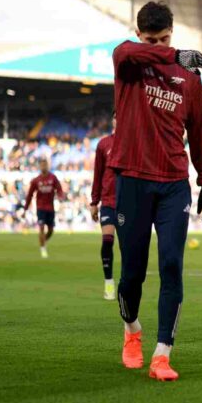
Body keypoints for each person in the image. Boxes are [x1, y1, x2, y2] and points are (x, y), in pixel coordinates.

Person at [109, 1, 202, 382]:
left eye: (165, 39)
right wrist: (171, 53)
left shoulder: (188, 75)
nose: (158, 45)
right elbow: (124, 50)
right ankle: (132, 331)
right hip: (133, 178)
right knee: (132, 273)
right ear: (140, 35)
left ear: (173, 32)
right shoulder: (128, 61)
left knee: (171, 264)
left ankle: (162, 354)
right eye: (151, 40)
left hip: (173, 182)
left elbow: (199, 129)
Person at [89, 112, 118, 301]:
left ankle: (128, 285)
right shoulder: (103, 144)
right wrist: (94, 201)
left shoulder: (134, 142)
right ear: (113, 120)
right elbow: (98, 174)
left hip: (130, 203)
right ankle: (108, 282)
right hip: (108, 202)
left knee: (131, 247)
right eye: (116, 116)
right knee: (107, 240)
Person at [23, 157, 64, 259]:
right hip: (40, 208)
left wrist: (60, 196)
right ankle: (43, 249)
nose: (43, 166)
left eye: (45, 164)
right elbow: (29, 195)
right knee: (41, 227)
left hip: (50, 208)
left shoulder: (53, 178)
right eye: (41, 165)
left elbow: (59, 189)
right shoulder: (36, 180)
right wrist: (25, 209)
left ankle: (43, 241)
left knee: (50, 230)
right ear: (39, 166)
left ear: (47, 165)